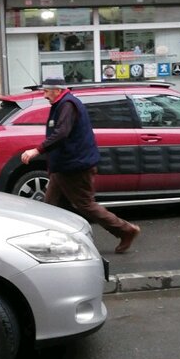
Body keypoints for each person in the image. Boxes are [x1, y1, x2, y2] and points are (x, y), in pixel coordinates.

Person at [21, 78, 140, 254]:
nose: (44, 95)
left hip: (75, 166)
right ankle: (48, 243)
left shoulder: (68, 105)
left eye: (46, 91)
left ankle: (125, 230)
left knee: (85, 205)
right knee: (50, 207)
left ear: (57, 90)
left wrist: (37, 150)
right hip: (64, 166)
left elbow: (62, 133)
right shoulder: (62, 103)